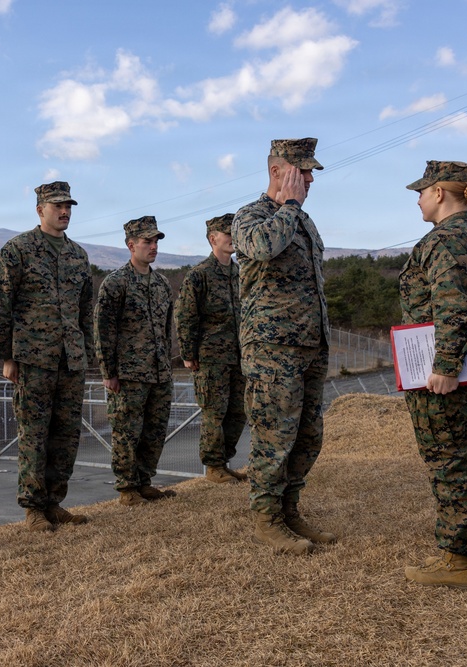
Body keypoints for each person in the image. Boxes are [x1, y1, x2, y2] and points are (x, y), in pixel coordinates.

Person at [231, 138, 335, 556]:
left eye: (310, 171)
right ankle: (267, 519)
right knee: (273, 438)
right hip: (272, 349)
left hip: (309, 345)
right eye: (302, 170)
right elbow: (263, 247)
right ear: (277, 172)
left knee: (307, 436)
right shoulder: (250, 217)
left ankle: (289, 510)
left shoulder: (304, 221)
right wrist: (289, 206)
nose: (310, 178)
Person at [399, 160, 467, 590]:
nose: (418, 200)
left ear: (439, 193)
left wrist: (444, 367)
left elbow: (455, 306)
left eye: (421, 192)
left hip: (449, 362)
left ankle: (457, 561)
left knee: (450, 458)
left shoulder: (445, 239)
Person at [0, 181, 93, 532]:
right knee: (34, 434)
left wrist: (86, 352)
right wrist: (5, 356)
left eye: (68, 206)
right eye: (57, 206)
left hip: (70, 359)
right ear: (40, 210)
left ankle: (54, 502)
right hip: (33, 359)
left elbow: (85, 309)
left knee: (66, 435)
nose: (64, 211)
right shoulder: (18, 250)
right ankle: (33, 507)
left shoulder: (78, 255)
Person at [94, 216, 176, 506]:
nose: (153, 247)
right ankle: (127, 487)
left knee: (155, 430)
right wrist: (108, 371)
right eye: (147, 242)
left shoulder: (162, 284)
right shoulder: (116, 283)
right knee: (127, 432)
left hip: (159, 371)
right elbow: (104, 329)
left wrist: (167, 365)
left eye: (156, 242)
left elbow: (166, 329)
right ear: (131, 245)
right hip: (129, 373)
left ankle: (144, 481)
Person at [175, 213, 248, 484]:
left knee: (238, 411)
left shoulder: (240, 273)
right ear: (212, 239)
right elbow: (185, 315)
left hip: (238, 355)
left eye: (235, 233)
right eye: (227, 233)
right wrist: (188, 353)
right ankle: (214, 466)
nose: (232, 238)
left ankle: (224, 461)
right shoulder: (200, 275)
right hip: (211, 357)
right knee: (214, 412)